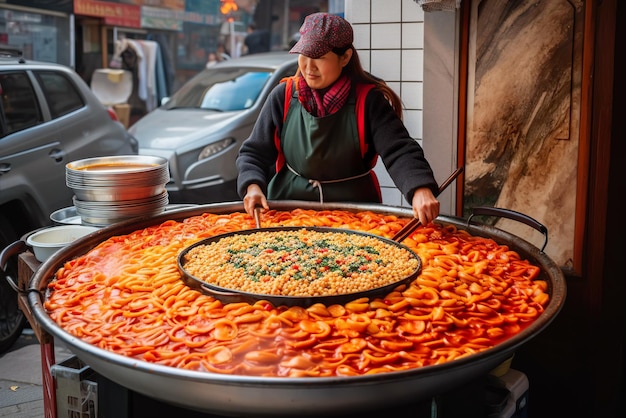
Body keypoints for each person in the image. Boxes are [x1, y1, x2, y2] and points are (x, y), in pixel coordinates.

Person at [236, 12, 440, 226]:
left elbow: (399, 149)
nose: (308, 66)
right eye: (304, 55)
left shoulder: (368, 100)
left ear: (345, 57)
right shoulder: (284, 96)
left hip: (356, 216)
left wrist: (420, 189)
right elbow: (254, 152)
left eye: (320, 57)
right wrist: (253, 186)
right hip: (288, 213)